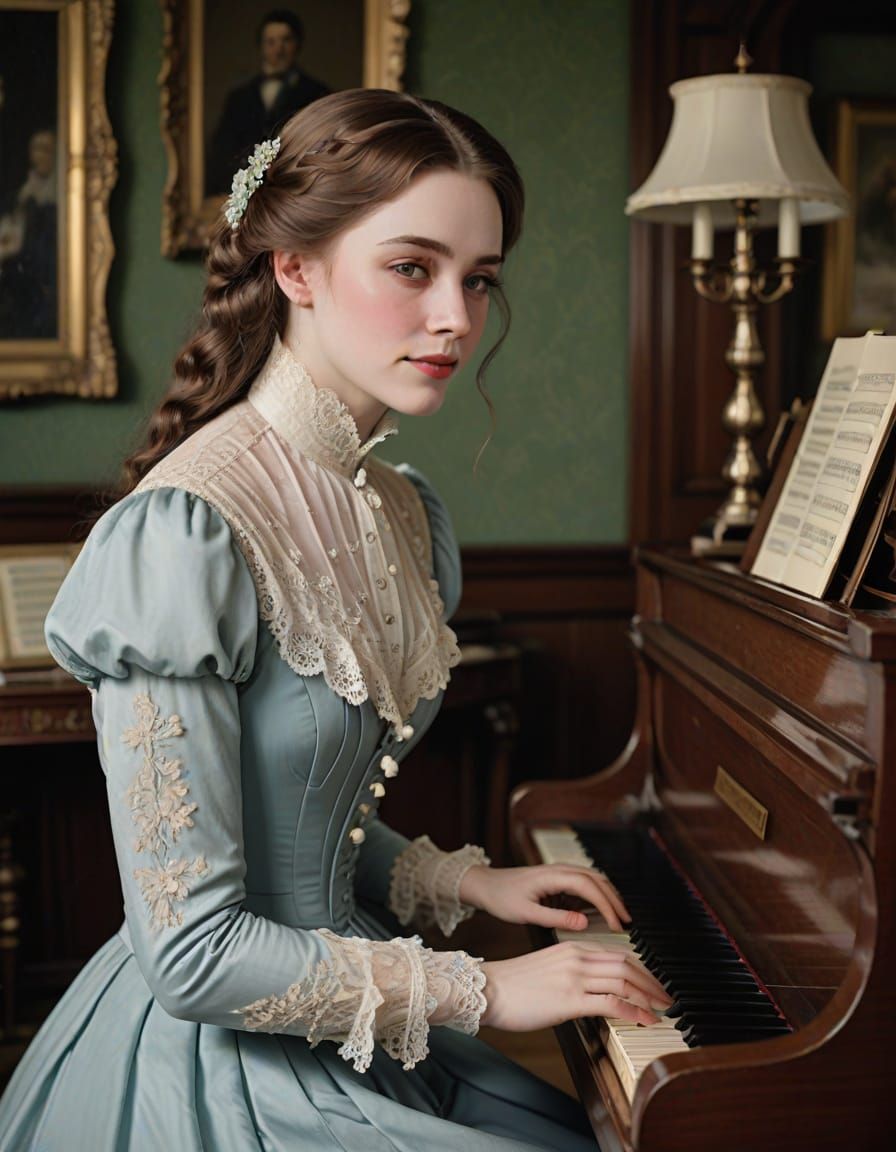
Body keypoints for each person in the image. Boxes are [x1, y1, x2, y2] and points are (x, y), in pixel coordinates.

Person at [0, 89, 671, 1150]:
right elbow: (193, 955)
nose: (455, 315)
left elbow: (293, 812)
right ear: (294, 268)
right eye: (412, 268)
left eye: (479, 279)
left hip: (353, 1010)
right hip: (227, 1056)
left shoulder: (398, 509)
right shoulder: (184, 531)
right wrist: (487, 992)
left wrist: (463, 880)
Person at [206, 9, 330, 196]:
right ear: (261, 47)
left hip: (297, 196)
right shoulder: (239, 98)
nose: (278, 50)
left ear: (298, 45)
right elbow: (222, 153)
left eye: (286, 40)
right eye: (271, 42)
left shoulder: (318, 94)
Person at [0, 128, 58, 339]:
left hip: (45, 278)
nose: (39, 155)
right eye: (35, 149)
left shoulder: (58, 197)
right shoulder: (22, 195)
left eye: (45, 149)